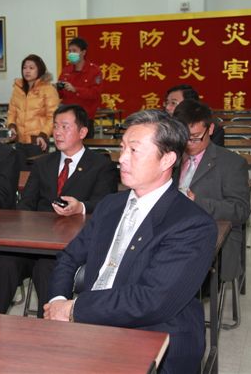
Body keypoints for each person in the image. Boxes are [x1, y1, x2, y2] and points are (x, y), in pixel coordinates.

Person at [44, 109, 217, 374]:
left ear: (167, 159)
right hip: (90, 324)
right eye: (122, 148)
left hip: (153, 336)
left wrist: (74, 309)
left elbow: (151, 300)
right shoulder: (110, 205)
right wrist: (58, 301)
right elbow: (69, 257)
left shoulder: (191, 224)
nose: (122, 158)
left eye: (134, 150)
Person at [0, 104, 118, 317]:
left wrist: (81, 207)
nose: (57, 132)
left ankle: (49, 329)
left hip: (70, 246)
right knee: (5, 262)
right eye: (55, 126)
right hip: (35, 242)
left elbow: (106, 205)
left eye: (65, 127)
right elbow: (26, 204)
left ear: (82, 132)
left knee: (47, 268)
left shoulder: (100, 165)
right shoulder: (43, 163)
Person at [173, 99, 251, 282]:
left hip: (212, 243)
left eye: (195, 137)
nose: (189, 143)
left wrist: (197, 203)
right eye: (183, 137)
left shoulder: (231, 163)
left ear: (211, 129)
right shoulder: (171, 158)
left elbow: (241, 211)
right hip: (173, 235)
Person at [6, 54, 60, 170]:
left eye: (31, 68)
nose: (27, 71)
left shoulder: (48, 89)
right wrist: (11, 126)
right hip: (20, 140)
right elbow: (12, 112)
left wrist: (43, 134)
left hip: (38, 141)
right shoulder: (17, 89)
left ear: (39, 69)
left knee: (37, 174)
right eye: (24, 67)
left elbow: (53, 116)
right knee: (21, 174)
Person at [57, 37, 104, 138]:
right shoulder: (66, 70)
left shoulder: (94, 71)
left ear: (83, 52)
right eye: (69, 51)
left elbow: (95, 93)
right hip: (67, 119)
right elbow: (60, 95)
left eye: (74, 51)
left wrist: (76, 90)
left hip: (84, 119)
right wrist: (56, 89)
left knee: (85, 147)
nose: (71, 54)